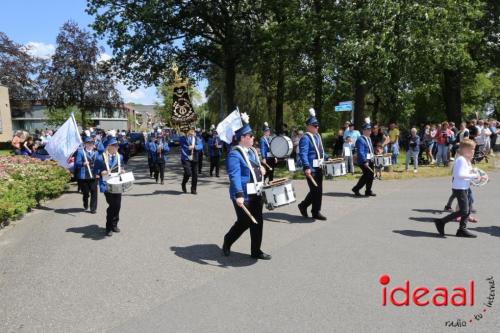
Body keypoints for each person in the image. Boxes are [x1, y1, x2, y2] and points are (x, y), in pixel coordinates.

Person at [222, 112, 271, 260]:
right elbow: (234, 175)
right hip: (243, 194)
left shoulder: (252, 151)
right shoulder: (234, 154)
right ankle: (227, 240)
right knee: (244, 222)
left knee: (258, 222)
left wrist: (262, 170)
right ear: (242, 138)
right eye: (250, 136)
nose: (253, 138)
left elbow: (254, 167)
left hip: (256, 192)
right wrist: (238, 194)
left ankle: (256, 250)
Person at [434, 139, 485, 238]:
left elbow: (468, 174)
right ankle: (441, 222)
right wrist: (474, 176)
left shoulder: (466, 160)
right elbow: (459, 174)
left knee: (467, 209)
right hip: (459, 188)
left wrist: (480, 178)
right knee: (464, 211)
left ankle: (462, 230)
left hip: (465, 187)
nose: (474, 151)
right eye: (472, 149)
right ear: (466, 150)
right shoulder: (461, 160)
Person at [297, 108, 328, 220]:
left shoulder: (317, 136)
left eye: (317, 125)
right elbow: (303, 154)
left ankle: (315, 211)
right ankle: (303, 205)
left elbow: (320, 151)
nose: (317, 127)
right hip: (311, 169)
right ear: (309, 126)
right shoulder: (305, 138)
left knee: (318, 191)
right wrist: (306, 166)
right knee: (315, 191)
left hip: (319, 167)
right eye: (315, 126)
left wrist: (328, 158)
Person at [95, 137, 125, 237]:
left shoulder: (119, 156)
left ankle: (114, 224)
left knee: (118, 205)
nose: (117, 147)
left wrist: (122, 171)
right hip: (106, 184)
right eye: (115, 145)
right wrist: (101, 172)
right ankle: (108, 227)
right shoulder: (100, 157)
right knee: (112, 205)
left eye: (117, 145)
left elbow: (122, 166)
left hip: (117, 183)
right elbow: (96, 170)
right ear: (108, 147)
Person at [75, 137, 98, 213]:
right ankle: (85, 202)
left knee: (94, 192)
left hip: (94, 175)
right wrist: (83, 163)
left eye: (91, 143)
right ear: (85, 144)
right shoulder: (81, 152)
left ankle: (93, 208)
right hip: (84, 175)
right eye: (88, 143)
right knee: (86, 193)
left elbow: (100, 163)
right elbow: (77, 163)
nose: (90, 144)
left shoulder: (96, 152)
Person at [352, 123, 376, 197]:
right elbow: (360, 152)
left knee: (371, 175)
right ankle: (356, 189)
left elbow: (369, 149)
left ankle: (368, 191)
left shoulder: (368, 138)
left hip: (370, 160)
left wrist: (375, 152)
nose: (370, 131)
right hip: (364, 161)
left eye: (370, 130)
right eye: (368, 130)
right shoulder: (360, 139)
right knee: (366, 175)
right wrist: (365, 161)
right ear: (364, 131)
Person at [180, 126, 203, 194]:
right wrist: (186, 136)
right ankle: (183, 183)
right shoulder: (183, 138)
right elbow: (182, 143)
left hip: (194, 157)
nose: (192, 132)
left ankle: (193, 189)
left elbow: (201, 146)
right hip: (186, 158)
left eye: (193, 131)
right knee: (188, 173)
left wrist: (194, 147)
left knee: (195, 175)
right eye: (190, 130)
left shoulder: (197, 138)